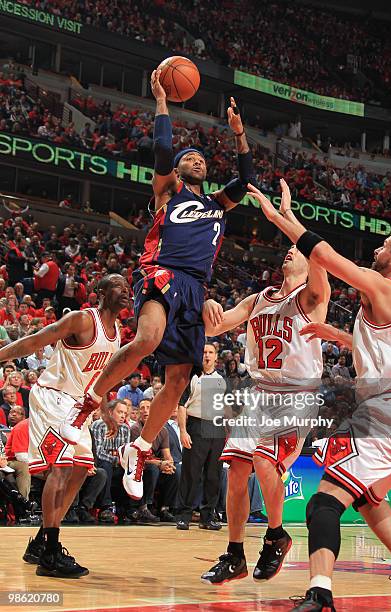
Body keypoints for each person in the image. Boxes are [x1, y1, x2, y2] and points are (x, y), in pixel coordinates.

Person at [59, 72, 256, 502]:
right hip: (161, 271)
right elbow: (164, 148)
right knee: (147, 339)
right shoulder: (169, 190)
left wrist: (239, 134)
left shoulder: (217, 203)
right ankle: (89, 402)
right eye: (191, 157)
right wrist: (163, 102)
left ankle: (141, 447)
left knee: (178, 380)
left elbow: (246, 180)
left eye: (202, 158)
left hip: (196, 287)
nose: (197, 160)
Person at [248, 180, 391, 612]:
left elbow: (325, 257)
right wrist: (339, 334)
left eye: (383, 246)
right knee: (371, 497)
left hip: (389, 416)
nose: (376, 250)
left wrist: (281, 218)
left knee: (322, 503)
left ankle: (320, 595)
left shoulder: (383, 285)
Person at [200, 197, 330, 584]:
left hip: (295, 396)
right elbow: (217, 326)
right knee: (237, 471)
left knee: (261, 458)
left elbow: (314, 250)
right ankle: (235, 553)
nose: (290, 251)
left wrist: (288, 220)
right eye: (288, 249)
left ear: (310, 262)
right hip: (259, 393)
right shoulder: (259, 299)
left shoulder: (311, 297)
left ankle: (276, 535)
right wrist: (207, 303)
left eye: (297, 249)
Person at [0, 274, 128, 578]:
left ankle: (42, 540)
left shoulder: (117, 333)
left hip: (80, 404)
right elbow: (34, 341)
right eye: (118, 286)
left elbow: (102, 377)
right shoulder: (83, 320)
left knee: (83, 468)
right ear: (100, 292)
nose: (126, 291)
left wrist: (107, 410)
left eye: (127, 287)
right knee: (61, 468)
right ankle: (51, 554)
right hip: (53, 396)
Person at [177, 343, 227, 530]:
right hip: (196, 425)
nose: (207, 355)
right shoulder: (192, 377)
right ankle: (184, 515)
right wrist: (183, 430)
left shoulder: (222, 380)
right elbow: (182, 405)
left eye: (210, 352)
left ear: (216, 357)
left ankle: (208, 517)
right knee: (191, 473)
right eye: (204, 352)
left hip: (216, 427)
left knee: (214, 475)